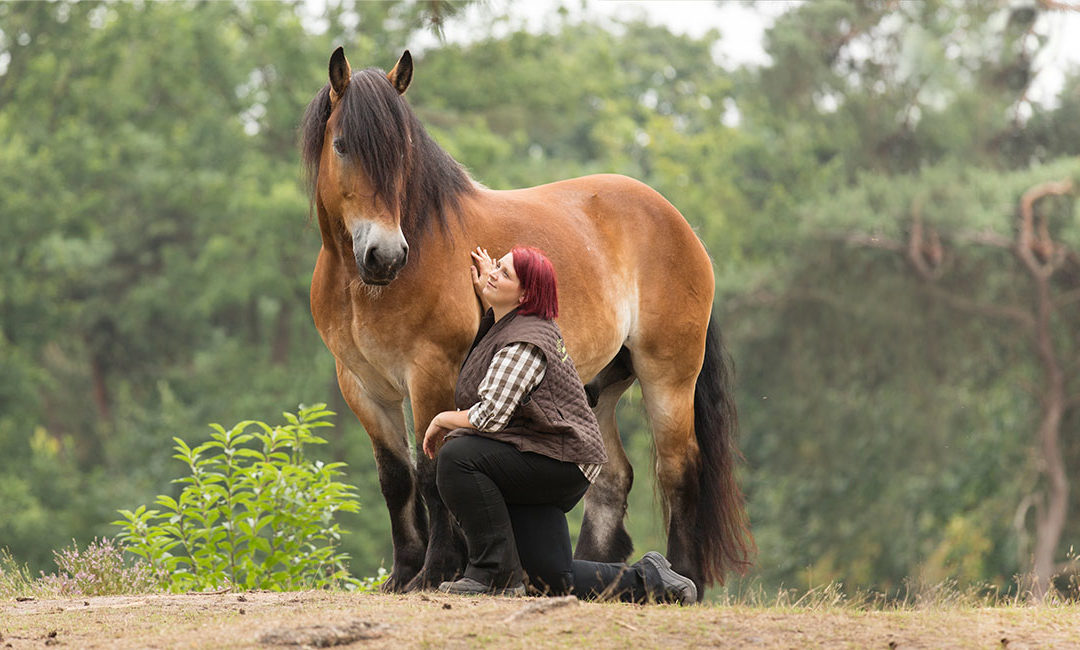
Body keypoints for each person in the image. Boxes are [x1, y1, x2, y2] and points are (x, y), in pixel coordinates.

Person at [422, 245, 697, 604]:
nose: (493, 273)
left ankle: (492, 573)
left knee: (458, 455)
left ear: (524, 295)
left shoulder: (524, 343)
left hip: (556, 464)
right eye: (498, 266)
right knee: (552, 580)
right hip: (548, 456)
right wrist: (492, 286)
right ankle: (650, 580)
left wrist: (442, 418)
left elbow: (489, 416)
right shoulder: (520, 322)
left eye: (504, 274)